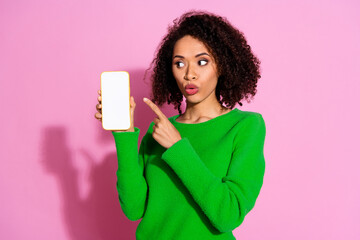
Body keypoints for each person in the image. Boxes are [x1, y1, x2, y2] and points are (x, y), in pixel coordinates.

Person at [94, 10, 266, 240]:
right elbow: (134, 209)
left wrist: (177, 146)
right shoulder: (160, 130)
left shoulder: (245, 126)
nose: (189, 74)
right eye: (179, 63)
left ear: (222, 66)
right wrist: (123, 134)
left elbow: (227, 214)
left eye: (202, 62)